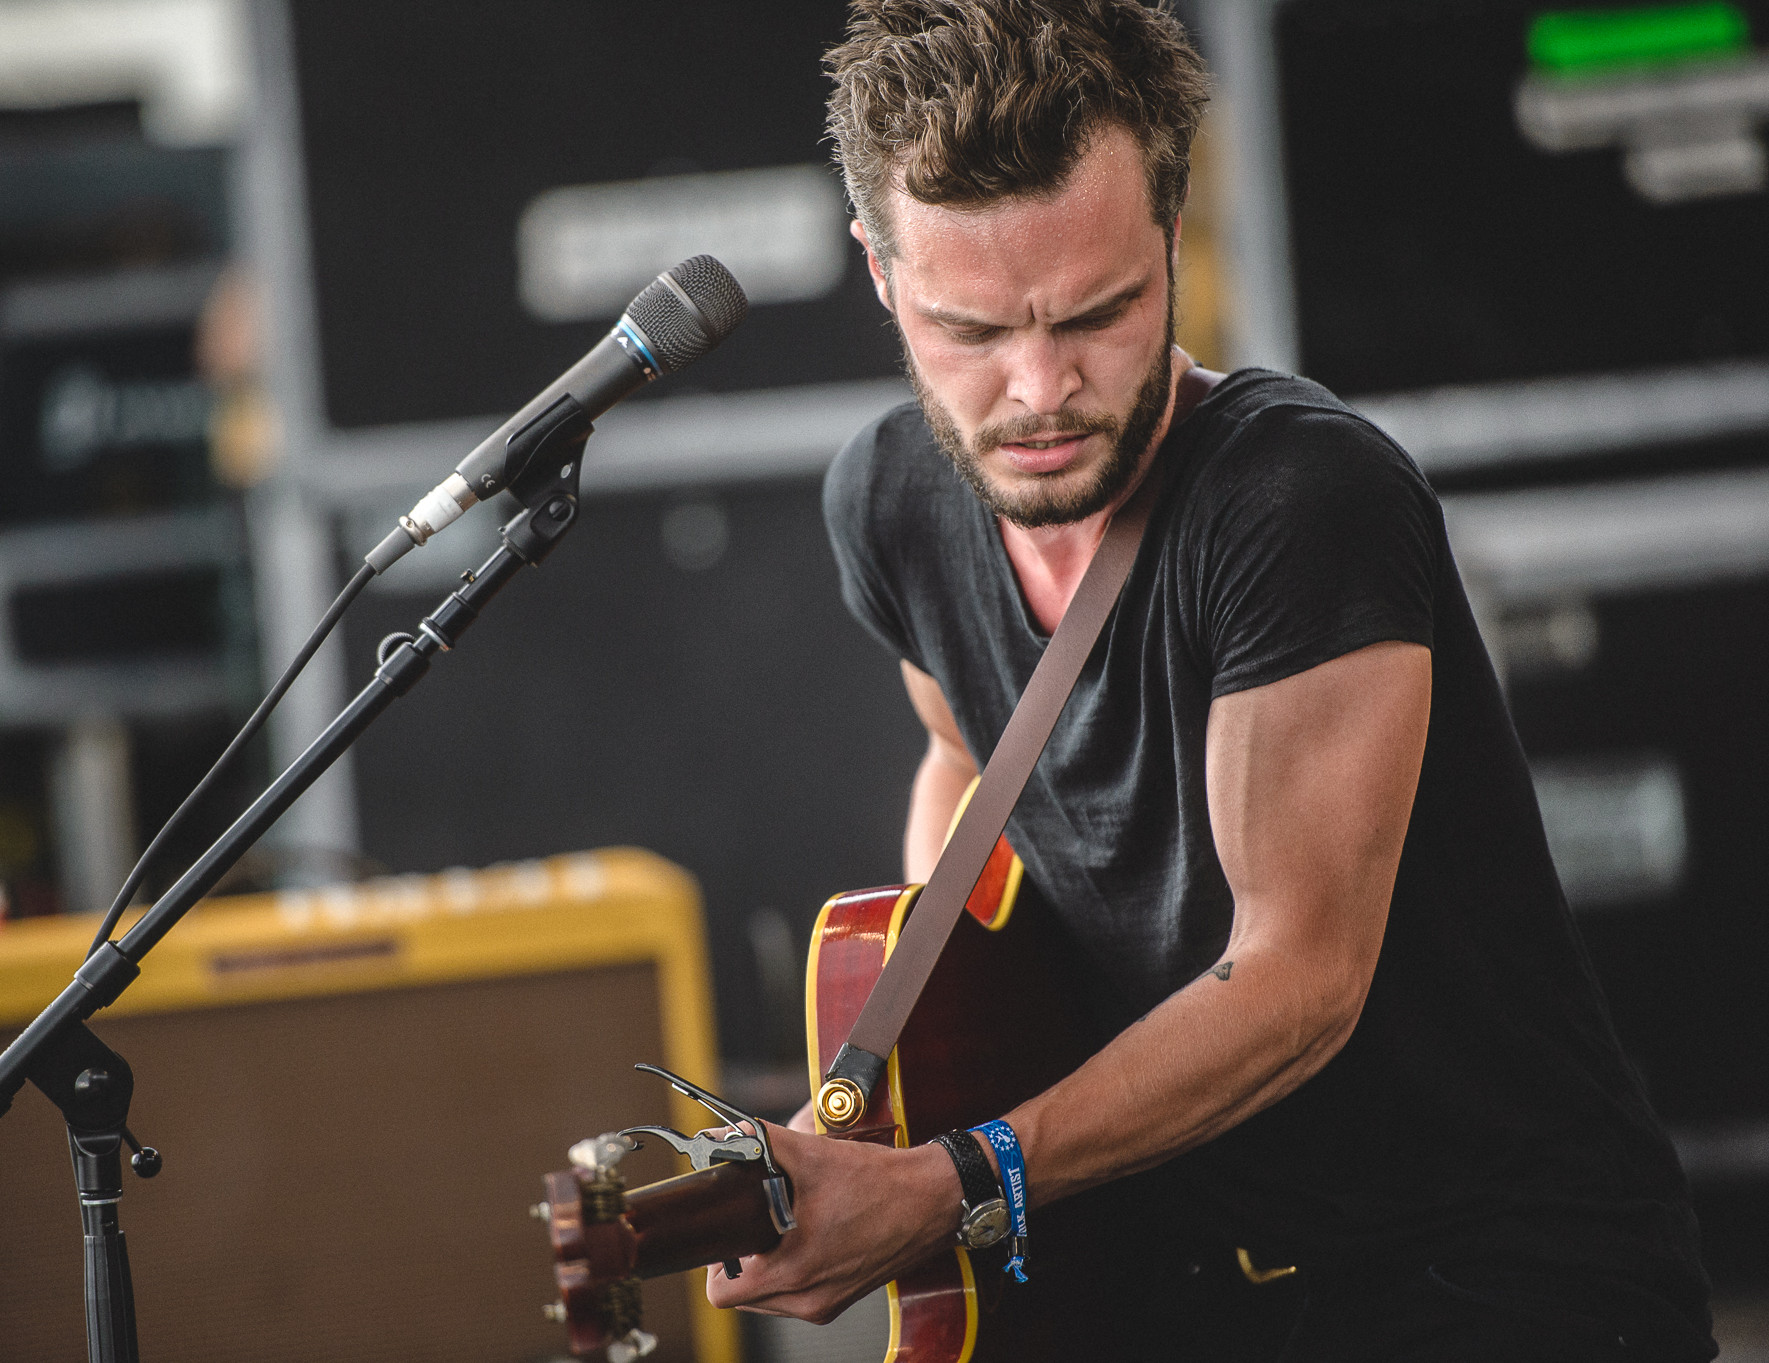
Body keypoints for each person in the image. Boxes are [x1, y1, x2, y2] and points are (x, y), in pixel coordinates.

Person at [704, 2, 1715, 1358]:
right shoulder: (888, 503)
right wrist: (941, 1034)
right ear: (881, 277)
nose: (1040, 388)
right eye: (972, 331)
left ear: (1172, 242)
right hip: (1176, 1276)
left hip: (1490, 1280)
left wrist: (960, 1177)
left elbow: (1295, 983)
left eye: (1099, 312)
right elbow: (964, 758)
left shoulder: (1300, 499)